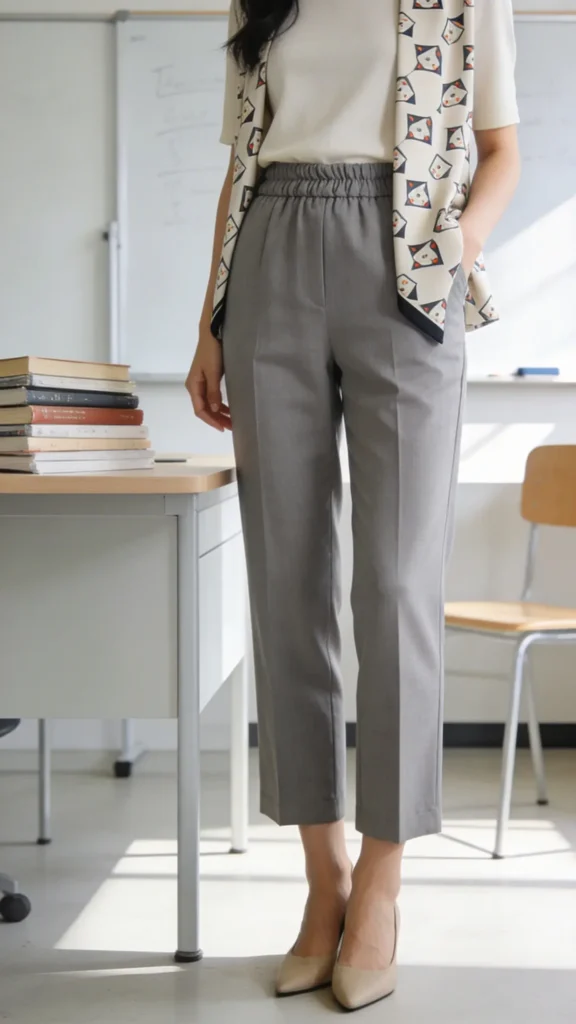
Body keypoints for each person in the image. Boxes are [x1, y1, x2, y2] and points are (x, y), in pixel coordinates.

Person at [187, 0, 520, 1011]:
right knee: (284, 582)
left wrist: (448, 247)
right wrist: (212, 319)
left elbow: (501, 148)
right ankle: (321, 883)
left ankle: (382, 881)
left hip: (406, 261)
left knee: (395, 585)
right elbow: (241, 165)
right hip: (272, 250)